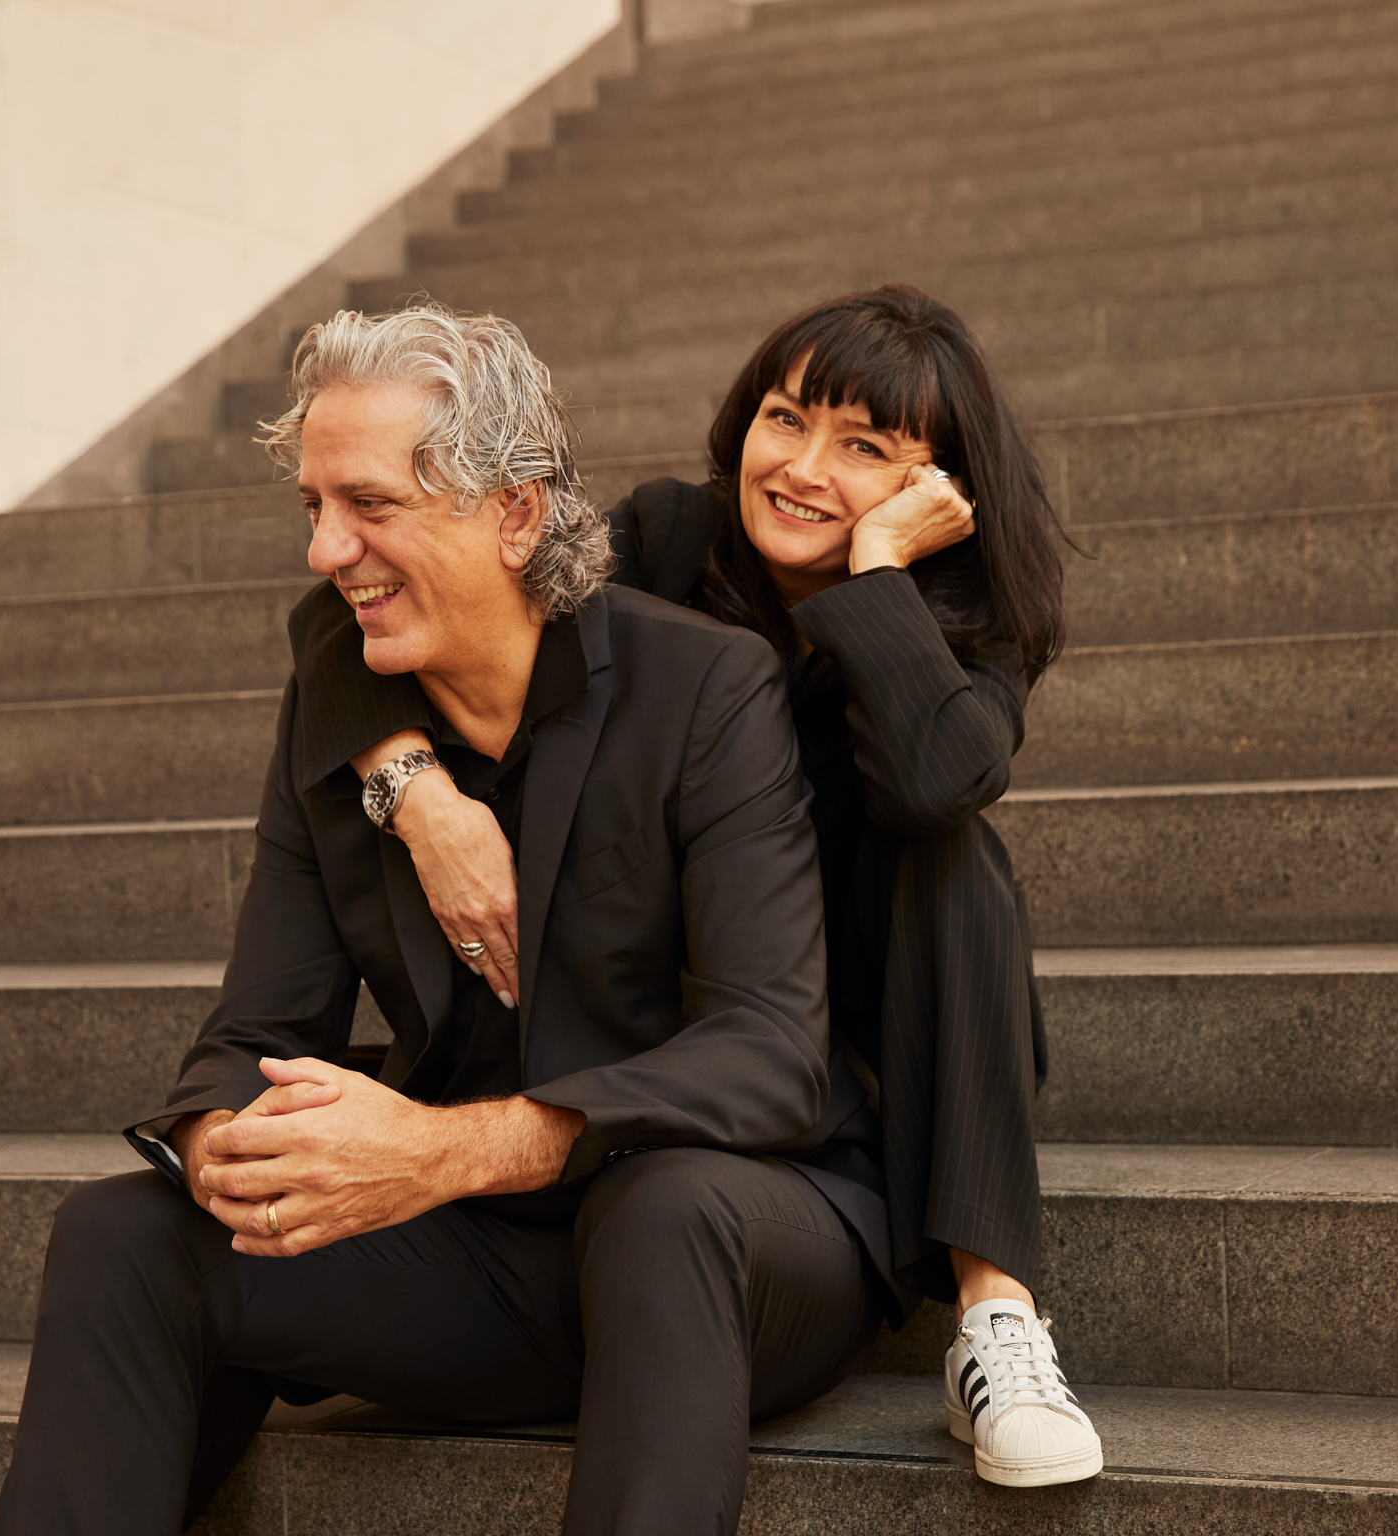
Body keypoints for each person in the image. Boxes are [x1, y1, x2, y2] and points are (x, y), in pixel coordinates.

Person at [0, 302, 892, 1535]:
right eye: (313, 506)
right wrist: (229, 1150)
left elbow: (769, 1057)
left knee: (662, 1207)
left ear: (514, 512)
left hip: (740, 1244)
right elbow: (255, 1030)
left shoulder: (705, 688)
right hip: (483, 1261)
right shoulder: (347, 716)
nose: (326, 549)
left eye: (369, 503)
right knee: (123, 1232)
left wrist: (441, 1152)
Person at [320, 285, 1100, 1488]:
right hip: (686, 970)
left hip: (856, 1012)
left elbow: (940, 781)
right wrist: (417, 794)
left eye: (864, 448)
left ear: (934, 485)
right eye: (785, 419)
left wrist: (875, 577)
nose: (801, 468)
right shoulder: (670, 538)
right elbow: (353, 617)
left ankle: (996, 1311)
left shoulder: (966, 615)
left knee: (957, 863)